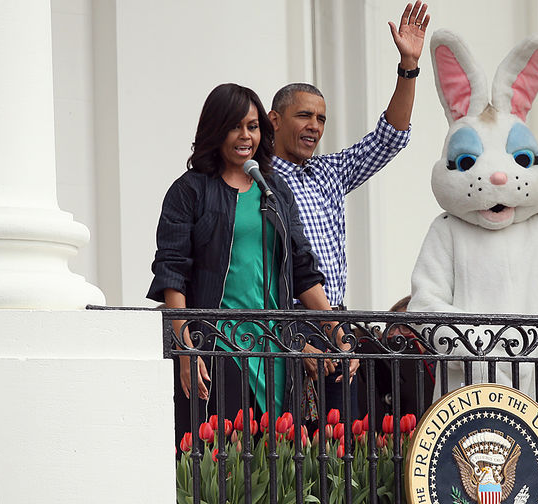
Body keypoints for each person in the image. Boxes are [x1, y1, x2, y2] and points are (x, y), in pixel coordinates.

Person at [147, 83, 347, 449]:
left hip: (277, 346)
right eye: (235, 127)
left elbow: (303, 269)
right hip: (219, 346)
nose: (245, 136)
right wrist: (187, 350)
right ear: (215, 130)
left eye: (252, 127)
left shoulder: (274, 190)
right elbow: (172, 273)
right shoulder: (190, 190)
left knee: (280, 459)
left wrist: (338, 333)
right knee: (226, 459)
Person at [268, 1, 430, 308]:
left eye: (321, 119)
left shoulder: (328, 171)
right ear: (274, 120)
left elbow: (389, 139)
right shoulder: (256, 180)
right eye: (304, 116)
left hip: (335, 316)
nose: (314, 126)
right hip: (287, 321)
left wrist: (408, 66)